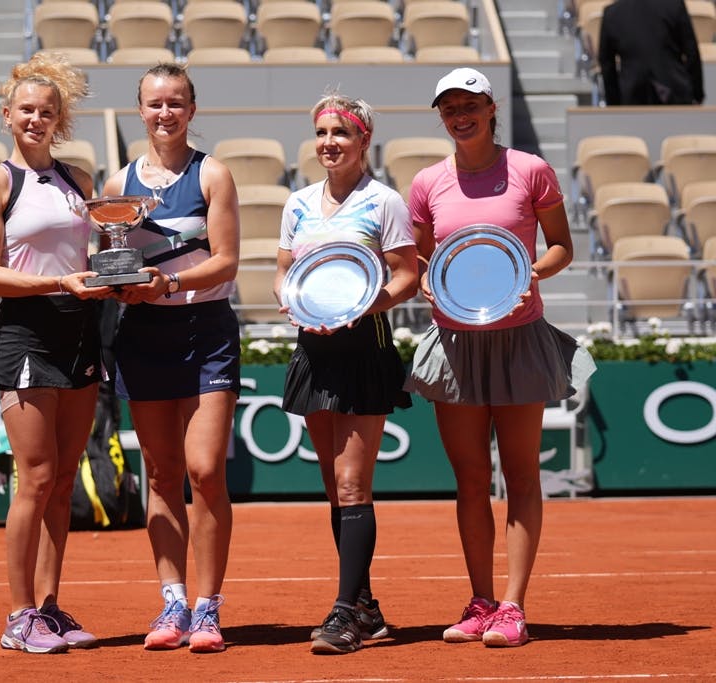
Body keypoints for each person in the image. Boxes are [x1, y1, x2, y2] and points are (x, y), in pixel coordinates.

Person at [405, 67, 596, 648]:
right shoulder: (426, 182)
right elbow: (419, 262)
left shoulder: (531, 170)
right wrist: (427, 284)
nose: (459, 115)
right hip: (456, 342)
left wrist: (529, 272)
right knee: (469, 480)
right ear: (441, 116)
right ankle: (480, 600)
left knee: (520, 475)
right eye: (448, 107)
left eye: (470, 104)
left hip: (518, 335)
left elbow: (562, 245)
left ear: (491, 108)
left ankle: (513, 606)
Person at [0, 52, 112, 655]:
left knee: (61, 483)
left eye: (46, 112)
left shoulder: (80, 181)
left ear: (60, 120)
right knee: (37, 478)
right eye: (26, 110)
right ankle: (18, 615)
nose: (35, 119)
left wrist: (116, 274)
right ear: (8, 115)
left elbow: (101, 251)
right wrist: (61, 284)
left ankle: (49, 608)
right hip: (26, 332)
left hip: (81, 331)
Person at [101, 62, 240, 654]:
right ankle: (174, 601)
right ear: (140, 109)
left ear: (191, 109)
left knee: (205, 471)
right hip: (145, 336)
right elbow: (113, 263)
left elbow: (227, 261)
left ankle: (208, 609)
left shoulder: (215, 175)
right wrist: (120, 285)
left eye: (176, 102)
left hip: (206, 330)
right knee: (161, 475)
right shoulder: (116, 186)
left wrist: (168, 284)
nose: (165, 112)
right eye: (155, 103)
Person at [273, 94, 419, 655]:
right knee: (335, 488)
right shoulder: (298, 203)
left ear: (364, 142)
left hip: (364, 345)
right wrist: (290, 302)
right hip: (313, 347)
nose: (330, 141)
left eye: (342, 132)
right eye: (323, 131)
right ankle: (366, 607)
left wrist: (365, 306)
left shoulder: (384, 202)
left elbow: (407, 275)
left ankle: (342, 614)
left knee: (355, 484)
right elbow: (285, 274)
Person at [597, 0, 704, 105]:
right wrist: (696, 94)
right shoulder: (674, 5)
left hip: (632, 96)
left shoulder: (612, 12)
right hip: (675, 93)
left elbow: (607, 64)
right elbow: (692, 53)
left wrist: (614, 104)